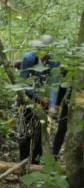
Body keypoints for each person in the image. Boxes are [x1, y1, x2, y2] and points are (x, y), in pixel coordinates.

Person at [15, 34, 68, 163]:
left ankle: (35, 163)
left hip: (44, 100)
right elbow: (22, 84)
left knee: (39, 133)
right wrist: (37, 97)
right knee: (25, 133)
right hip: (27, 98)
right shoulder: (28, 58)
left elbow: (54, 85)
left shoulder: (54, 62)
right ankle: (23, 162)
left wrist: (53, 104)